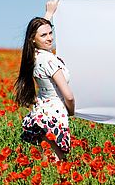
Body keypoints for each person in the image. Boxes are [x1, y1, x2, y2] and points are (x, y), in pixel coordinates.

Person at [13, 11, 75, 161]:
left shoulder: (33, 56)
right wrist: (71, 111)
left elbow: (37, 31)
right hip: (55, 114)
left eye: (50, 33)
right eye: (44, 35)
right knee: (58, 162)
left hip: (42, 113)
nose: (50, 38)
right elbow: (69, 96)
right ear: (33, 39)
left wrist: (48, 13)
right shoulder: (49, 61)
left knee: (48, 160)